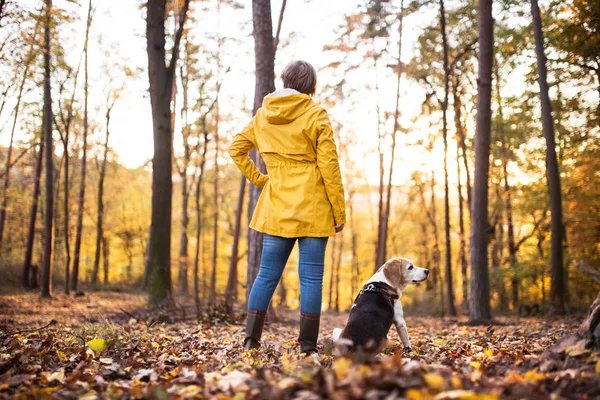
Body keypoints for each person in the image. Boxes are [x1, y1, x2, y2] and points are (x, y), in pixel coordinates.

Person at [228, 60, 346, 354]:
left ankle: (250, 342)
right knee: (311, 279)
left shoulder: (263, 115)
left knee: (266, 275)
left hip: (277, 205)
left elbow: (236, 149)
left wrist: (261, 179)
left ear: (284, 80)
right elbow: (329, 166)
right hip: (314, 207)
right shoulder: (316, 114)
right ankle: (306, 347)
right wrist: (339, 211)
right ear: (311, 86)